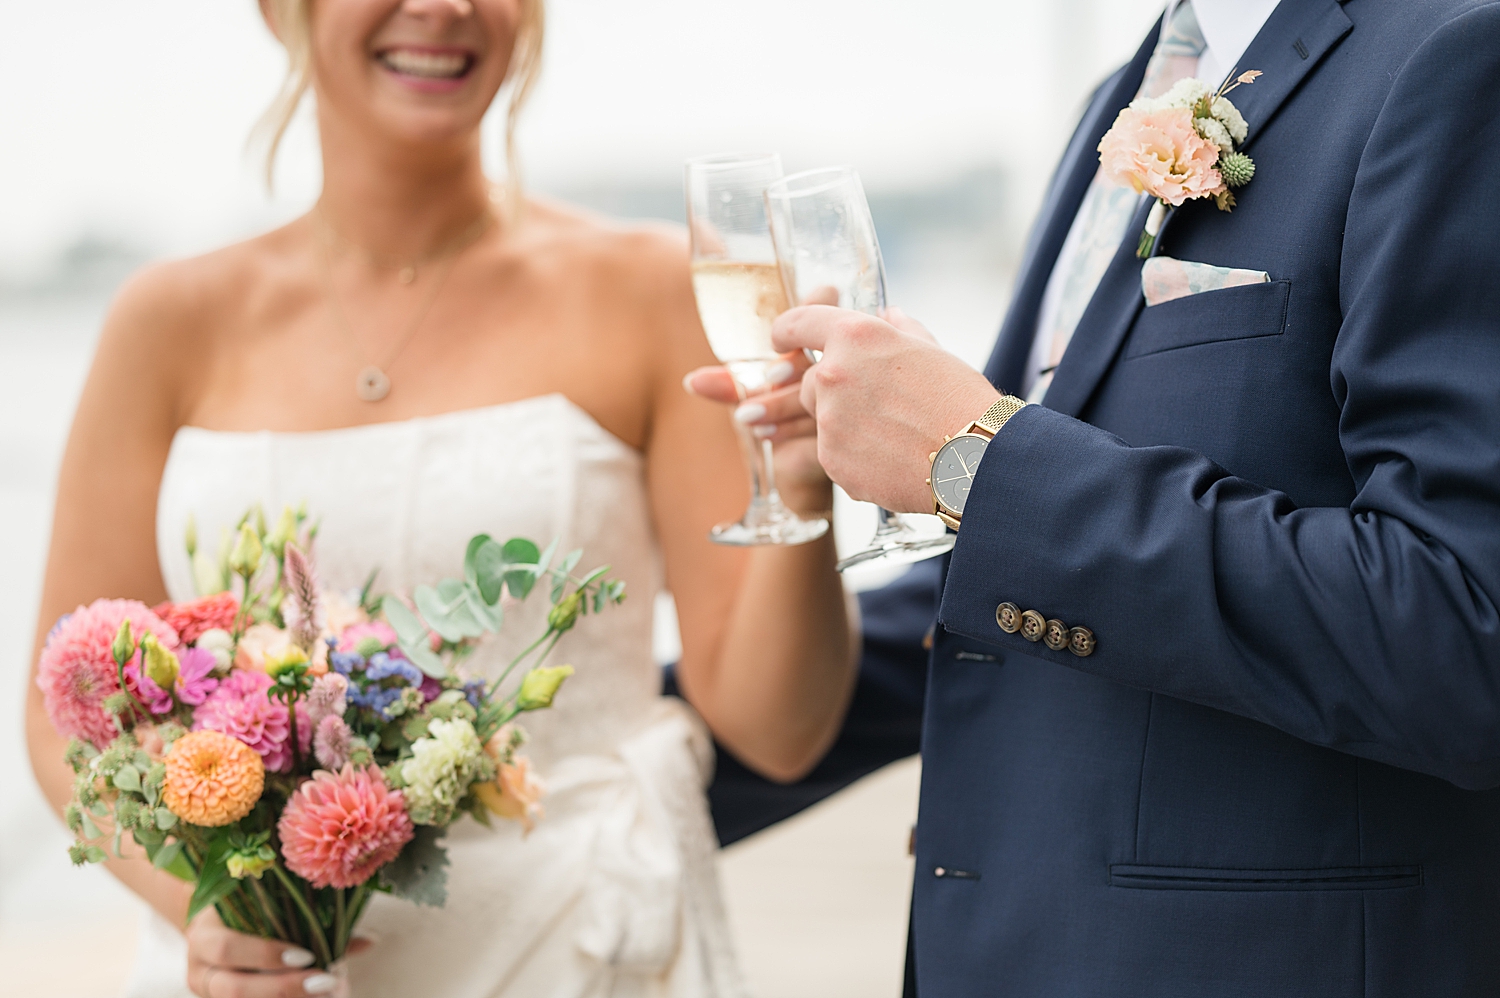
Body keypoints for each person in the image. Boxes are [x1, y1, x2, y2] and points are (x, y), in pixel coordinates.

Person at [23, 1, 857, 996]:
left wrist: (803, 496)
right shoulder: (167, 321)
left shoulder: (648, 288)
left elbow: (779, 727)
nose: (446, 8)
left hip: (574, 951)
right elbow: (66, 717)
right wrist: (207, 914)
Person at [692, 0, 1500, 993]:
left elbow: (1461, 626)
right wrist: (635, 751)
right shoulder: (1119, 97)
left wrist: (977, 458)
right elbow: (1015, 606)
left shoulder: (1457, 51)